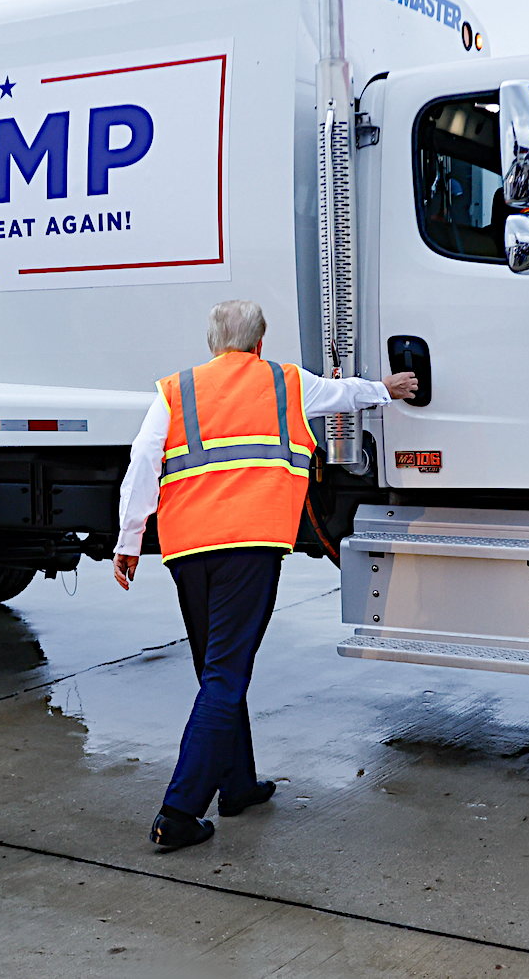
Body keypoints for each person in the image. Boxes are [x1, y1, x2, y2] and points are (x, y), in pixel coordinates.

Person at [114, 300, 417, 850]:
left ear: (212, 344)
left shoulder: (175, 390)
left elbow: (141, 463)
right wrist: (387, 389)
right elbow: (342, 392)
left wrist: (129, 540)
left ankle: (237, 784)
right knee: (226, 676)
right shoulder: (284, 381)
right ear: (259, 343)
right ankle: (178, 812)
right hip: (249, 547)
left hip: (185, 550)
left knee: (217, 668)